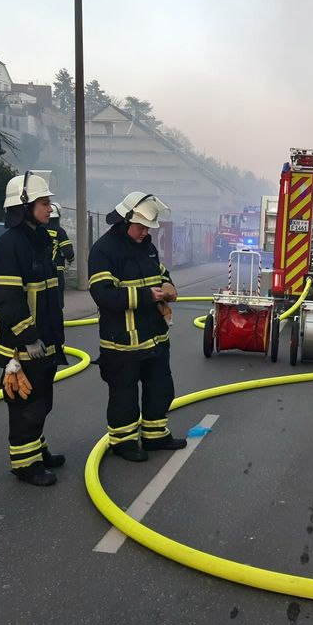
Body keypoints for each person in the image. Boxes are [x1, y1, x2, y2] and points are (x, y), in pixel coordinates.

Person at [88, 191, 187, 462]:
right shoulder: (104, 251)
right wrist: (147, 296)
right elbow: (103, 295)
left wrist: (168, 285)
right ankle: (124, 442)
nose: (145, 232)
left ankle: (155, 436)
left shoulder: (147, 247)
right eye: (141, 227)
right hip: (123, 341)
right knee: (124, 395)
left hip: (154, 337)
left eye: (148, 228)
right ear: (125, 221)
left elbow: (161, 272)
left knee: (160, 388)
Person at [0, 172, 66, 486]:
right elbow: (7, 299)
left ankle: (36, 450)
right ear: (24, 205)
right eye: (44, 202)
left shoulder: (39, 239)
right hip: (21, 347)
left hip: (43, 341)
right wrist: (28, 338)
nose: (50, 208)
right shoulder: (9, 245)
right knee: (26, 407)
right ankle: (24, 465)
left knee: (42, 402)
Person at [46, 203, 74, 307]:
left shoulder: (38, 229)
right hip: (57, 271)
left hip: (40, 271)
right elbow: (68, 252)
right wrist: (70, 259)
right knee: (57, 303)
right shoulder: (59, 231)